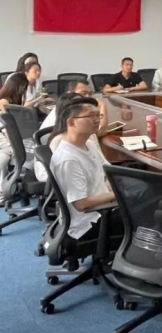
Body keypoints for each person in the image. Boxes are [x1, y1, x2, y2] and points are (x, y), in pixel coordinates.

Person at [49, 97, 122, 241]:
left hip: (104, 206)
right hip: (89, 223)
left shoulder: (89, 144)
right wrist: (117, 194)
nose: (97, 120)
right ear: (71, 122)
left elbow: (108, 171)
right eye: (91, 116)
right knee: (154, 209)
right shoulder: (68, 159)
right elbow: (81, 204)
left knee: (153, 196)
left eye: (98, 115)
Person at [40, 81, 107, 137]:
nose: (88, 97)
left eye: (90, 94)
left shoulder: (70, 107)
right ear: (70, 94)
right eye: (83, 93)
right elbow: (100, 132)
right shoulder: (69, 111)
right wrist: (103, 106)